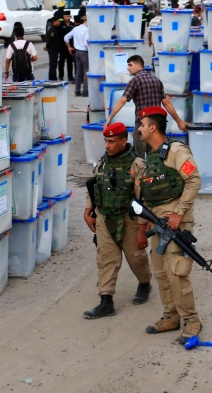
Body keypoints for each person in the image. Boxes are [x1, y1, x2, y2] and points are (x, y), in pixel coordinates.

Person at [134, 106, 202, 344]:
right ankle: (170, 317)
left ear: (153, 127)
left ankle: (191, 321)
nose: (139, 129)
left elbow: (194, 180)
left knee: (177, 273)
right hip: (157, 224)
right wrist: (142, 228)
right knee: (161, 274)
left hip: (176, 224)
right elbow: (145, 198)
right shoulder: (149, 157)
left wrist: (178, 213)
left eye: (142, 125)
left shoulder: (175, 150)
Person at [82, 122, 152, 319]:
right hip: (105, 218)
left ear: (123, 141)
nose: (107, 145)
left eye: (111, 141)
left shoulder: (137, 165)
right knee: (106, 259)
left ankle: (145, 283)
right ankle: (106, 301)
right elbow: (94, 188)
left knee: (136, 258)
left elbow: (143, 200)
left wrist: (141, 231)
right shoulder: (102, 163)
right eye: (106, 141)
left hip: (129, 220)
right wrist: (88, 211)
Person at [104, 55, 187, 156]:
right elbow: (166, 102)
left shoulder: (135, 81)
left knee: (140, 157)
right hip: (158, 126)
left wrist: (109, 118)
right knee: (157, 156)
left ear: (139, 66)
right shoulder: (156, 80)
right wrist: (179, 121)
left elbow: (122, 100)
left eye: (130, 65)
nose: (127, 68)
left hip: (142, 125)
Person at [64, 16, 90, 96]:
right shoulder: (87, 30)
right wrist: (91, 51)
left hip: (77, 52)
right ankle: (85, 91)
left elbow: (66, 38)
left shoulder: (76, 28)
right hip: (84, 52)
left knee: (78, 72)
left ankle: (77, 91)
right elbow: (86, 43)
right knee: (86, 72)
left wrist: (69, 47)